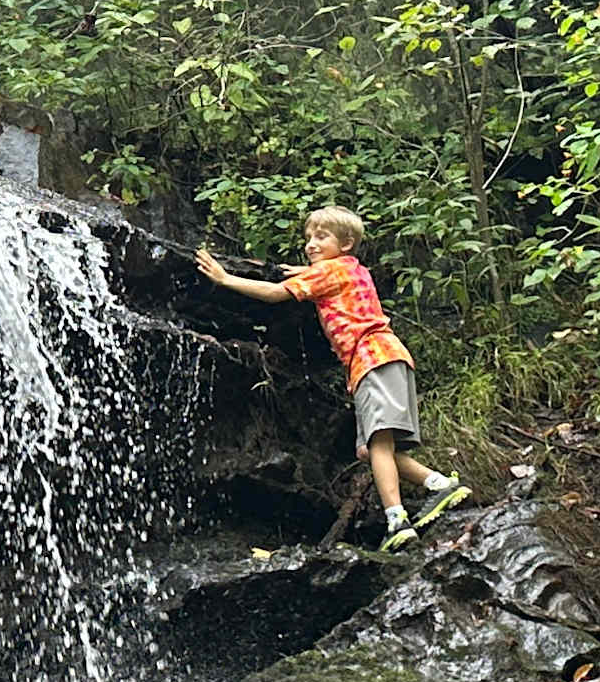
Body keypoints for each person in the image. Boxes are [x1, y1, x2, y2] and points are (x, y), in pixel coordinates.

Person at [199, 207, 474, 550]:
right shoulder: (353, 269)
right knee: (371, 450)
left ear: (346, 243)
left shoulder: (329, 271)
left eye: (321, 237)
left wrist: (226, 279)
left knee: (378, 446)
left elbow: (275, 293)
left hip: (373, 360)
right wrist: (309, 268)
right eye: (308, 238)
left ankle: (397, 520)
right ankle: (438, 484)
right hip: (388, 360)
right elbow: (335, 271)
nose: (311, 244)